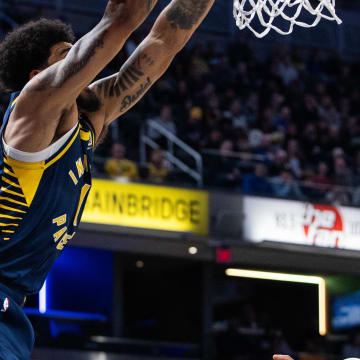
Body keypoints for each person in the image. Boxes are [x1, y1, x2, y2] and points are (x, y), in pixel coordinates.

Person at [0, 0, 216, 358]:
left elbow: (162, 42)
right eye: (67, 56)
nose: (84, 64)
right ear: (37, 76)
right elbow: (119, 19)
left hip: (14, 304)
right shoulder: (33, 107)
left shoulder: (88, 120)